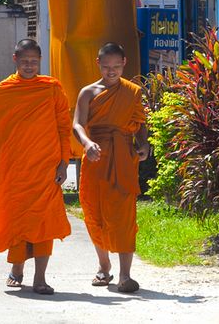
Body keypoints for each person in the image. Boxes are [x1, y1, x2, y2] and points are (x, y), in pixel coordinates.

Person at [0, 39, 71, 294]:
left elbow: (63, 126)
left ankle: (40, 278)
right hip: (15, 172)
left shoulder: (51, 88)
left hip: (46, 169)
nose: (29, 66)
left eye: (34, 62)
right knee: (18, 221)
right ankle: (17, 269)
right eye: (24, 62)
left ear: (40, 62)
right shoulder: (2, 91)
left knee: (44, 223)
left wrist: (64, 163)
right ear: (15, 60)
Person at [73, 42, 150, 294]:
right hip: (96, 157)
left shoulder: (133, 92)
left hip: (123, 158)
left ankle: (125, 276)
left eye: (116, 66)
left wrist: (143, 145)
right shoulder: (88, 92)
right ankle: (104, 266)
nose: (112, 71)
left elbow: (139, 123)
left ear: (124, 63)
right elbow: (77, 125)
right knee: (95, 212)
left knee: (124, 214)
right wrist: (86, 143)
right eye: (106, 67)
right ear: (98, 64)